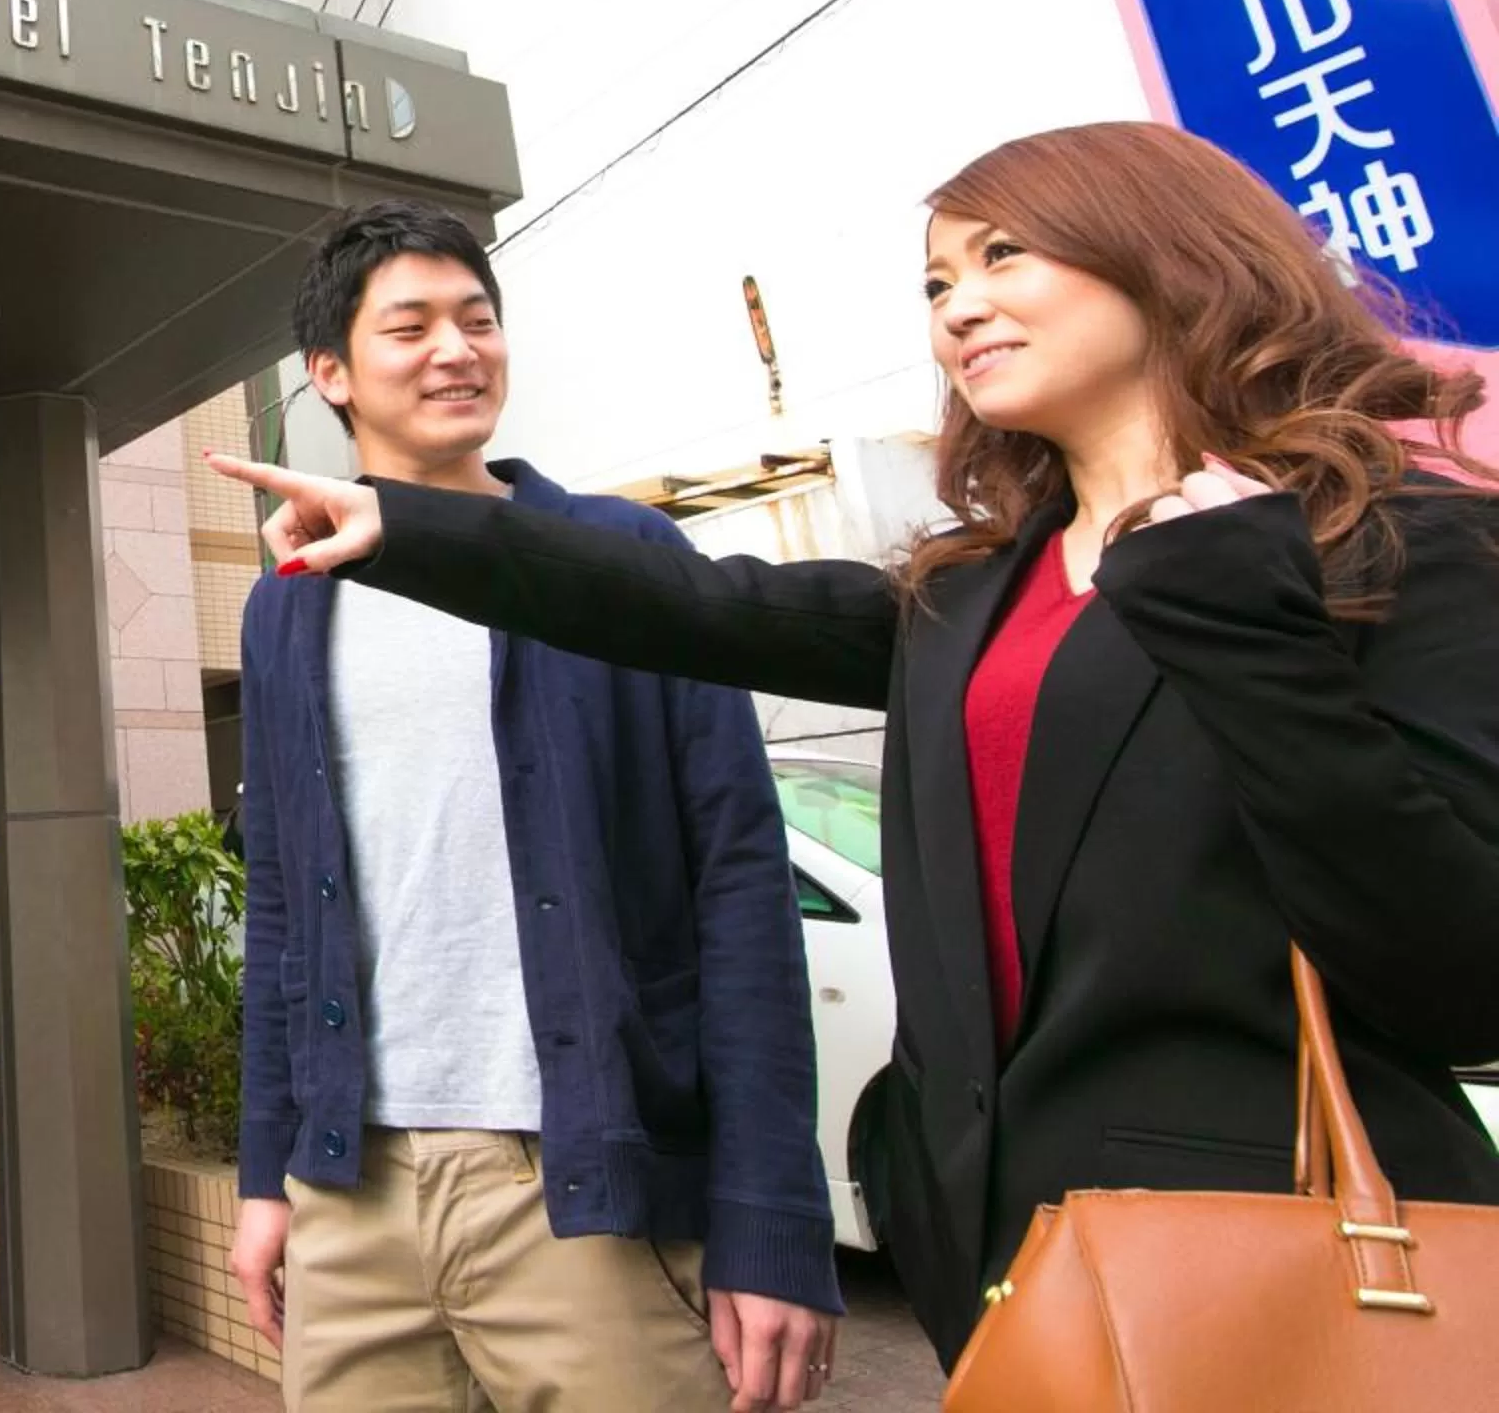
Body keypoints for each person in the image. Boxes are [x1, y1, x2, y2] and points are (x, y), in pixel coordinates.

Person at [209, 124, 1499, 1369]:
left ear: (1169, 252)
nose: (958, 308)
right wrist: (403, 529)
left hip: (1270, 1257)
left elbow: (1461, 975)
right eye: (937, 282)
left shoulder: (1387, 544)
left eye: (1002, 255)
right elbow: (691, 604)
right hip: (1020, 1264)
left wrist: (1245, 628)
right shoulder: (975, 592)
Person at [228, 201, 842, 1413]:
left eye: (478, 319)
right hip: (352, 1196)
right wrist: (266, 1173)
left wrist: (770, 1216)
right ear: (330, 371)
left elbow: (740, 882)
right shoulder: (288, 600)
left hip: (583, 1192)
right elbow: (281, 910)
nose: (457, 349)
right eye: (411, 326)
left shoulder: (621, 556)